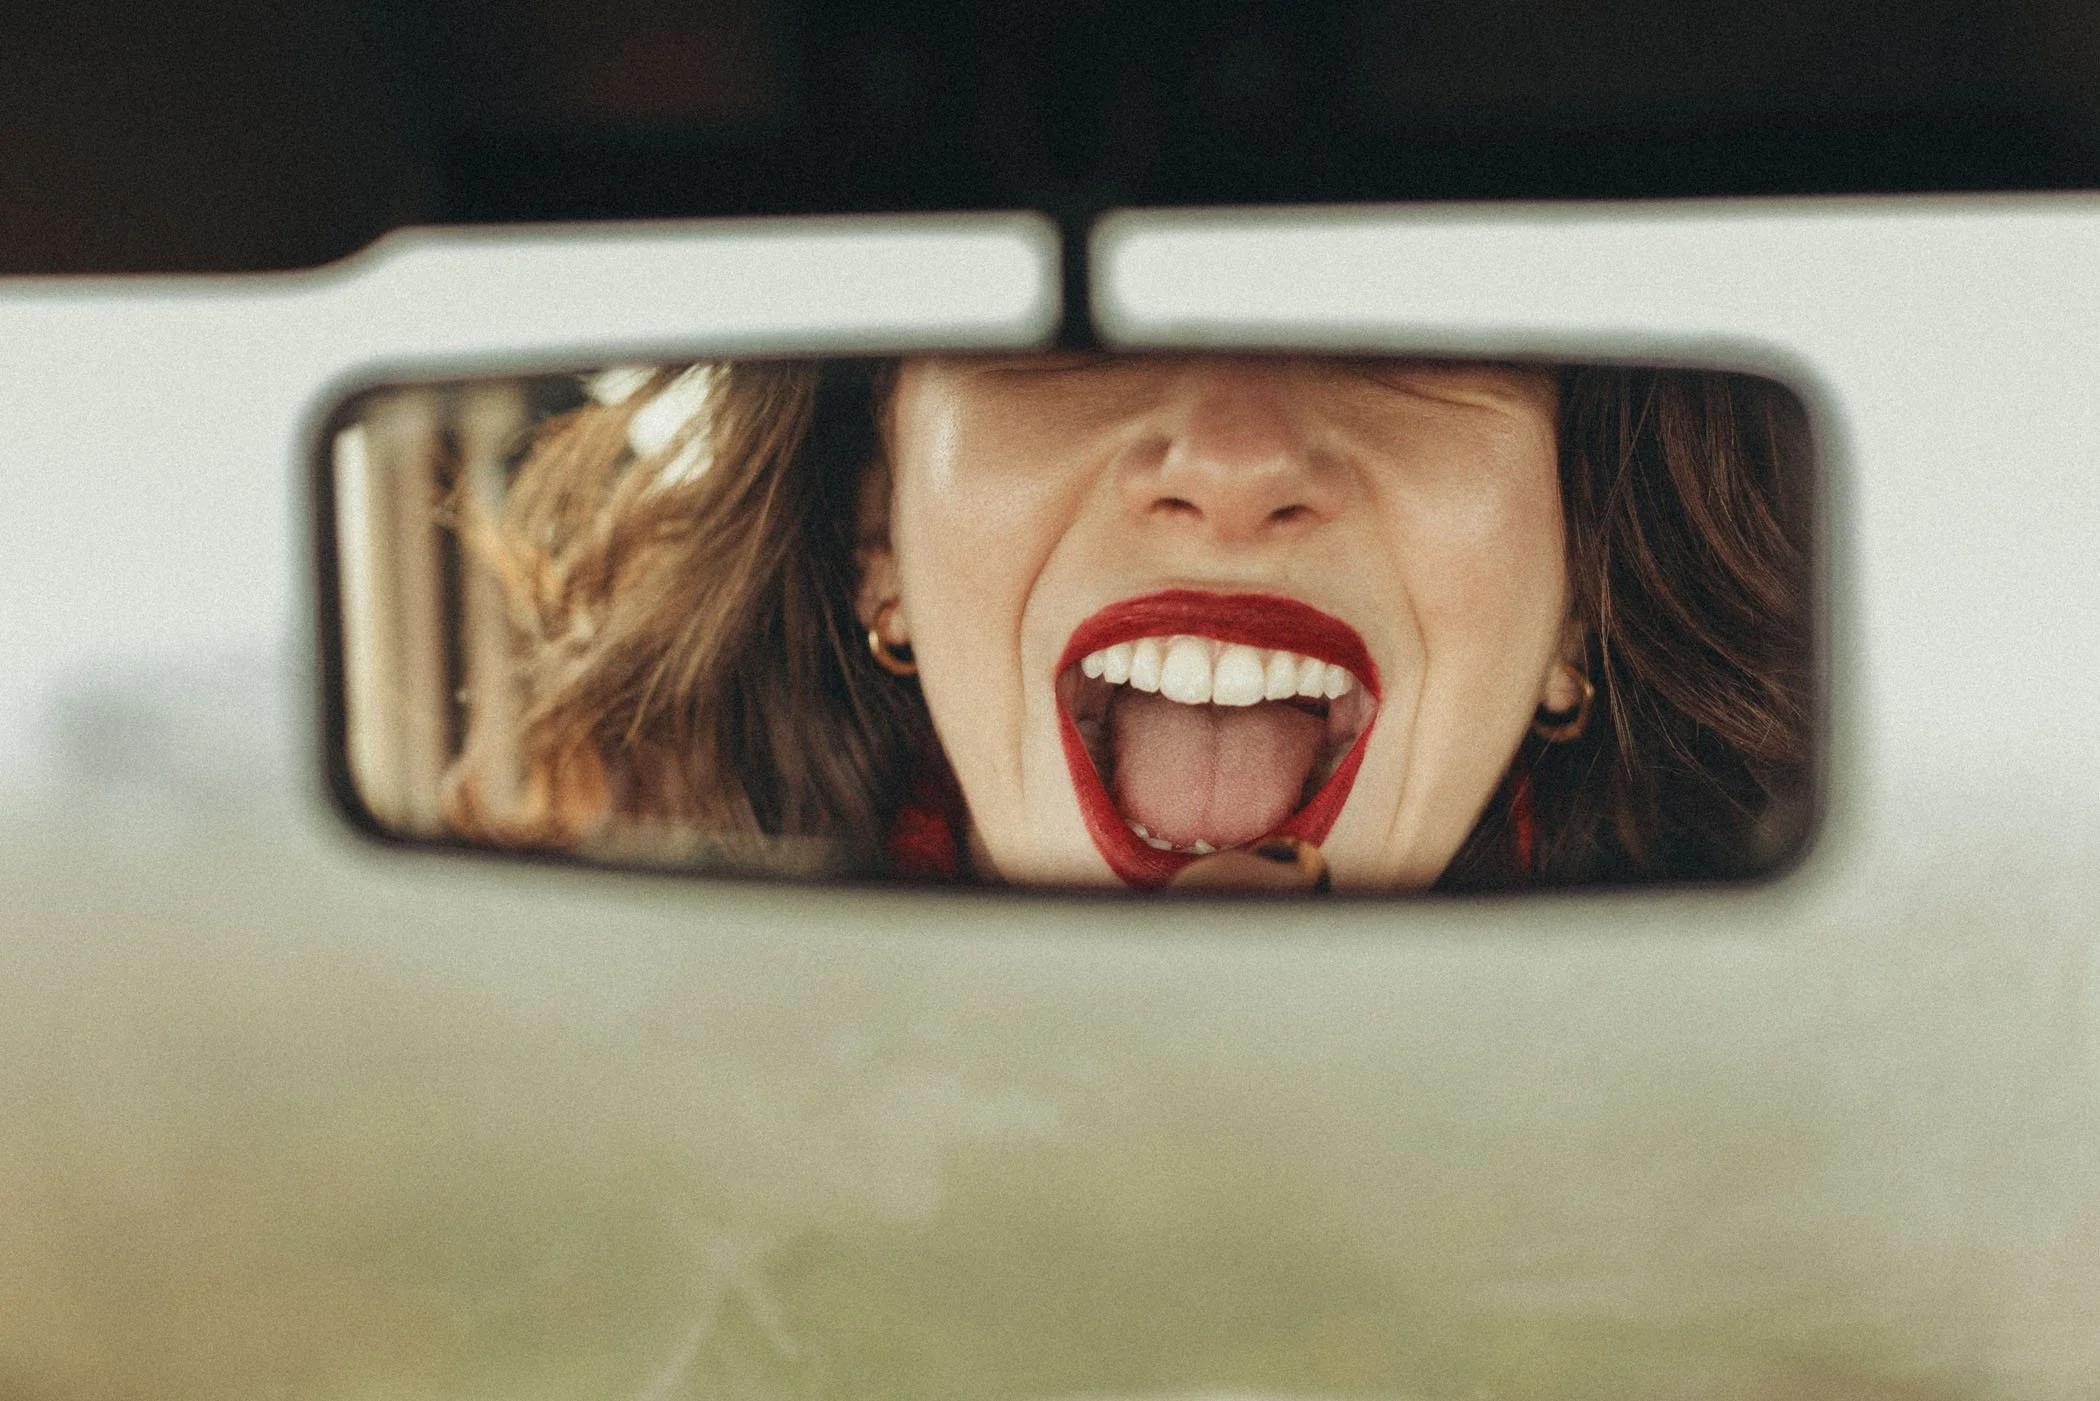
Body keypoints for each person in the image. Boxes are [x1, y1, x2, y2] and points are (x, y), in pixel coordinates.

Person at [445, 354, 1811, 892]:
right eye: (1067, 350)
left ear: (1580, 593)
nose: (1230, 461)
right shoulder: (627, 1016)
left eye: (1401, 354)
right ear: (879, 541)